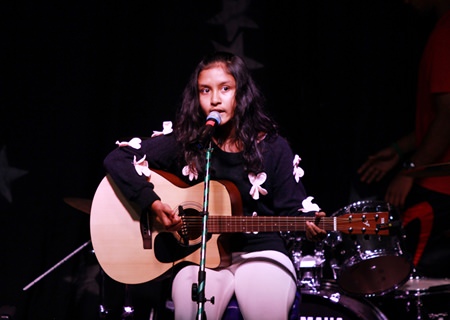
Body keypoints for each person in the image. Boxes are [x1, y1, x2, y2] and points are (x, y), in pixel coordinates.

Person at [103, 51, 327, 319]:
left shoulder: (272, 147)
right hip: (199, 257)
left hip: (261, 252)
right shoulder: (188, 142)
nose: (215, 99)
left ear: (241, 93)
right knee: (188, 309)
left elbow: (294, 209)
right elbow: (119, 157)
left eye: (225, 88)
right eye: (205, 90)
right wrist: (151, 203)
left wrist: (311, 222)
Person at [357, 0, 450, 278]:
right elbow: (435, 120)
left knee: (410, 279)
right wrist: (399, 150)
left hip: (440, 187)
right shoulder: (441, 30)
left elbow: (447, 120)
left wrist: (410, 170)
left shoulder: (446, 34)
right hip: (436, 181)